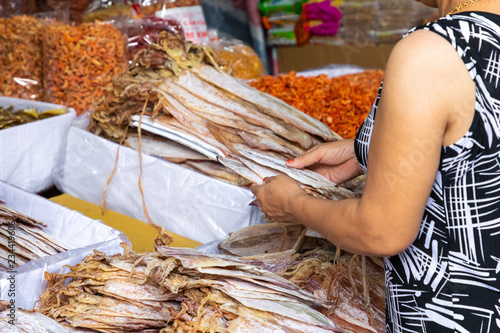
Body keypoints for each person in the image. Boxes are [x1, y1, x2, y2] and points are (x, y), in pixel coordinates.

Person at [250, 0, 500, 331]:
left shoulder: (436, 52)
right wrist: (370, 150)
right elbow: (480, 145)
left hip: (456, 317)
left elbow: (381, 230)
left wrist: (294, 204)